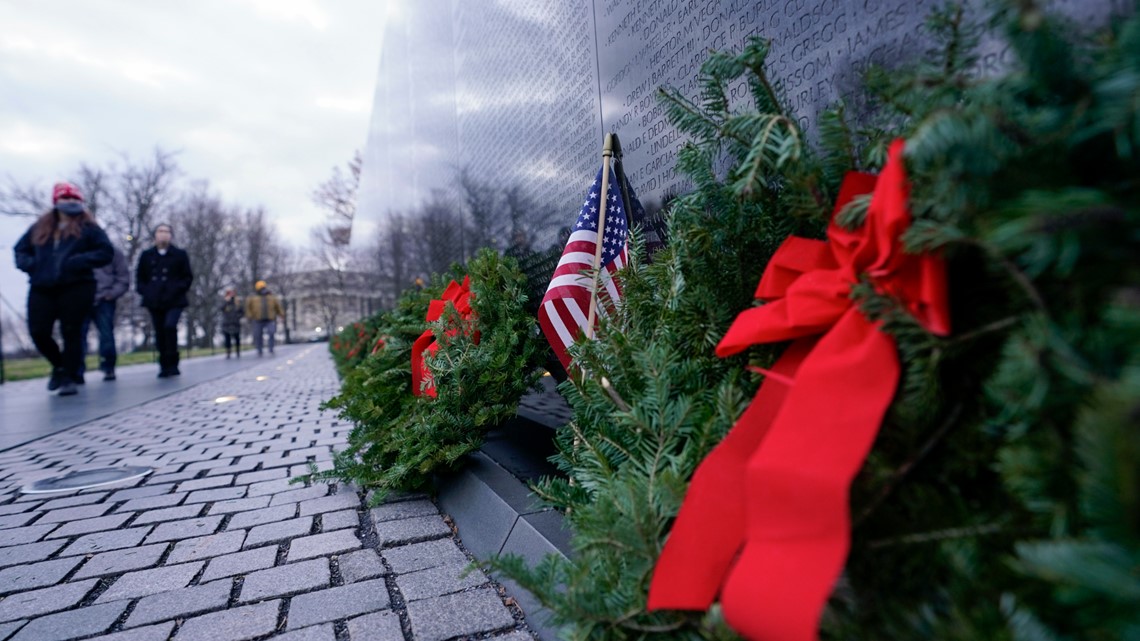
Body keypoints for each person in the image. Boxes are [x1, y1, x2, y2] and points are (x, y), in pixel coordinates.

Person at [13, 182, 114, 396]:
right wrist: (32, 265)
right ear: (56, 201)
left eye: (74, 199)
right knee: (38, 331)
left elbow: (105, 252)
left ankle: (69, 376)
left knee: (72, 331)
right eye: (65, 198)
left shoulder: (89, 228)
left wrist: (80, 261)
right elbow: (20, 250)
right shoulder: (40, 227)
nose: (70, 202)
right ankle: (58, 365)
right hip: (43, 286)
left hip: (77, 286)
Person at [136, 223, 193, 378]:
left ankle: (173, 362)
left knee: (169, 326)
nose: (163, 234)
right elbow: (140, 279)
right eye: (160, 231)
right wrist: (147, 292)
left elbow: (187, 277)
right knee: (159, 331)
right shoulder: (147, 255)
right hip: (154, 300)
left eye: (167, 231)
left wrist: (176, 289)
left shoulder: (179, 254)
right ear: (155, 235)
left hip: (174, 299)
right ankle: (163, 365)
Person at [80, 242, 129, 381]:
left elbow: (123, 277)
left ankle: (108, 367)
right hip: (81, 299)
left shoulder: (112, 251)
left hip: (104, 299)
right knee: (77, 336)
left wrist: (111, 294)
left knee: (106, 334)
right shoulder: (76, 249)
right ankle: (76, 370)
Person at [245, 280, 284, 356]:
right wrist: (249, 316)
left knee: (271, 332)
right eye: (260, 288)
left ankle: (271, 349)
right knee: (258, 335)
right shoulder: (252, 298)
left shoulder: (271, 297)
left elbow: (278, 307)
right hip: (257, 319)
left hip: (270, 319)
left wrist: (281, 314)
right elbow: (248, 308)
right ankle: (259, 350)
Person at [219, 288, 243, 359]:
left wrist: (238, 317)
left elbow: (242, 312)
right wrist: (226, 301)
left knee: (237, 338)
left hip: (235, 323)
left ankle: (238, 351)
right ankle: (228, 352)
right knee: (227, 339)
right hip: (226, 323)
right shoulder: (224, 302)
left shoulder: (237, 302)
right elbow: (221, 308)